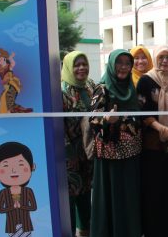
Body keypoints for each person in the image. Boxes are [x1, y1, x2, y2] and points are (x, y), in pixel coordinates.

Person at [90, 49, 142, 237]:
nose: (123, 67)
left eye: (127, 63)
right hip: (110, 156)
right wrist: (106, 120)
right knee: (111, 197)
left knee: (128, 196)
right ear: (111, 64)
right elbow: (93, 121)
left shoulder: (130, 87)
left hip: (132, 153)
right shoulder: (102, 88)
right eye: (119, 63)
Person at [136, 45, 168, 237]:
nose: (165, 61)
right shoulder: (146, 81)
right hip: (152, 144)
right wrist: (160, 129)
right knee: (154, 190)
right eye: (161, 57)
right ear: (155, 58)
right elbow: (142, 112)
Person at [61, 51, 95, 236]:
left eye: (84, 64)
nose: (81, 68)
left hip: (88, 152)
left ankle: (85, 232)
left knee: (85, 195)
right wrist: (69, 154)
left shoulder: (91, 86)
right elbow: (58, 127)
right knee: (70, 197)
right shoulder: (61, 91)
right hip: (70, 155)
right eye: (76, 65)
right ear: (68, 67)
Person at [0, 142, 38, 236]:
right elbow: (0, 209)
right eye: (6, 165)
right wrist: (12, 207)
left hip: (26, 225)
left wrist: (21, 206)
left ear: (32, 167)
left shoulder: (28, 191)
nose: (13, 170)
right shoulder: (3, 193)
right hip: (11, 226)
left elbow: (34, 207)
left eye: (20, 164)